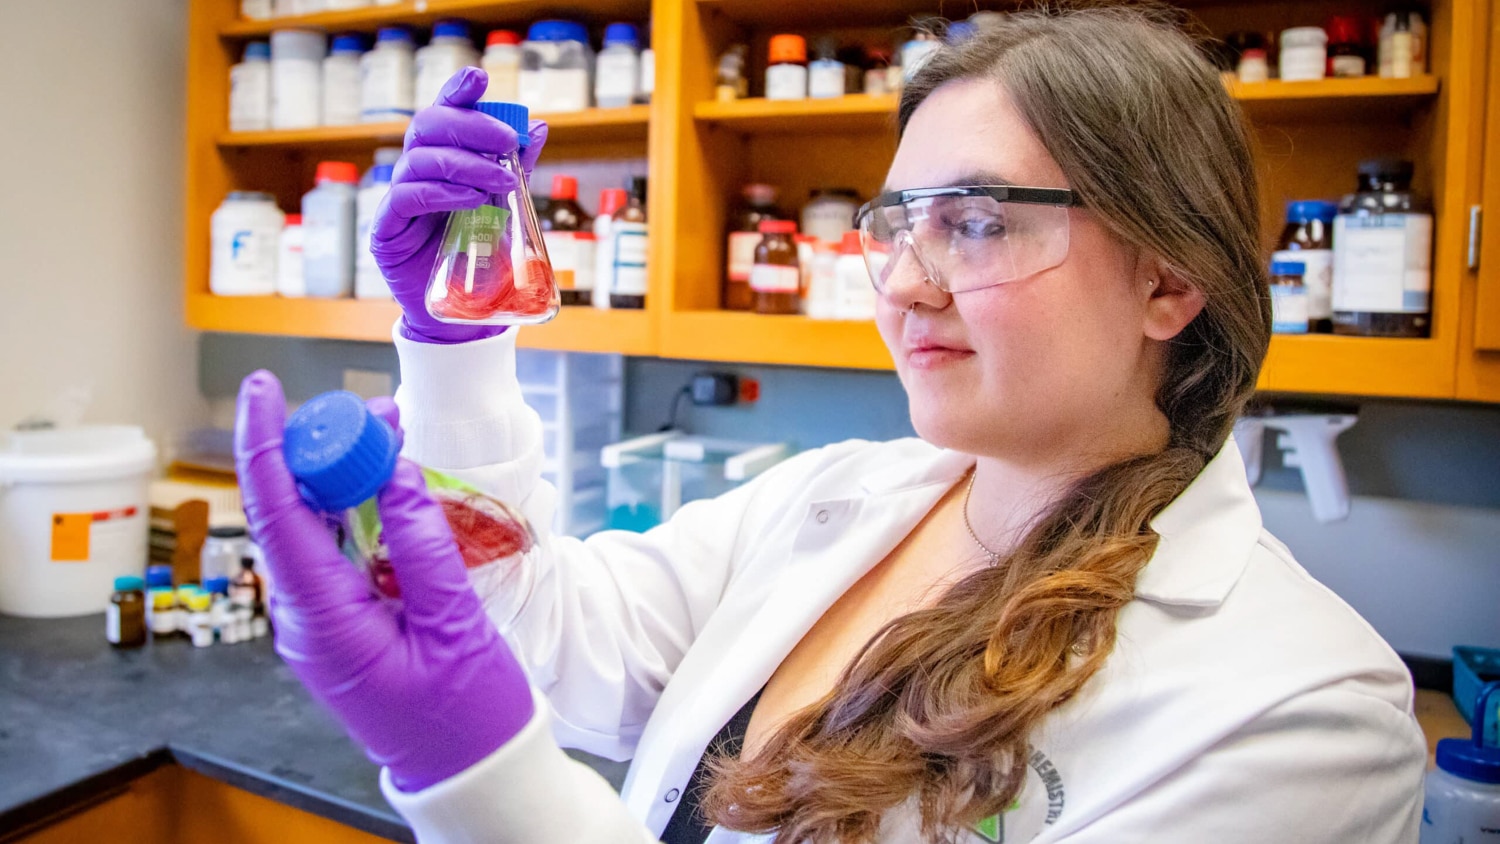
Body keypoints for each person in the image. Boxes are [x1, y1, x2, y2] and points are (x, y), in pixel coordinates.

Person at [235, 7, 1426, 843]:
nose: (903, 283)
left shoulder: (1301, 710)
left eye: (978, 221)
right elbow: (531, 628)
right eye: (897, 224)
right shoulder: (836, 500)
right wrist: (458, 335)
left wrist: (478, 781)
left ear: (1170, 280)